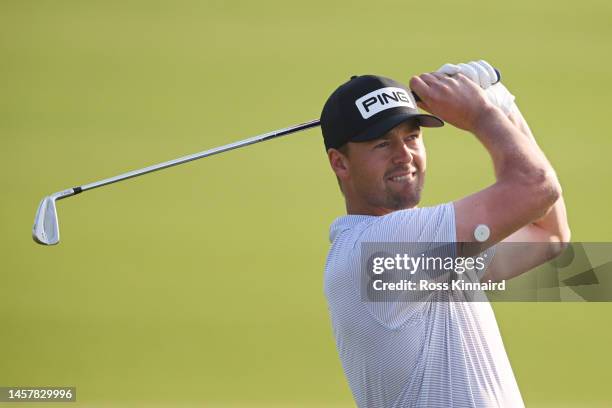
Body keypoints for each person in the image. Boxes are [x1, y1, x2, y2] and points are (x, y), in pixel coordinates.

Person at [321, 61, 570, 408]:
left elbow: (548, 236)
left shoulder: (421, 250)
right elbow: (536, 187)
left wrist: (502, 107)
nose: (404, 155)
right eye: (382, 144)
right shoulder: (380, 251)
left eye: (411, 137)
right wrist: (483, 114)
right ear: (340, 163)